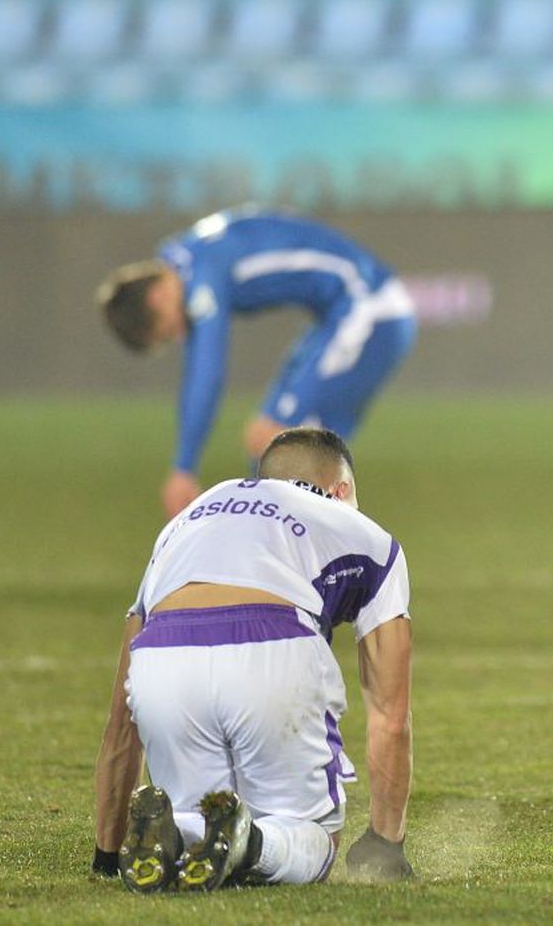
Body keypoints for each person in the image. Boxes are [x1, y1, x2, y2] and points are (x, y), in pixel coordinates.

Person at [91, 427, 414, 892]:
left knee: (200, 823)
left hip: (163, 659)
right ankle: (253, 843)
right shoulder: (364, 533)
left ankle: (167, 835)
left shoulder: (187, 521)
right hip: (271, 646)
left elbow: (121, 722)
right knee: (316, 840)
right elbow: (390, 715)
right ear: (340, 490)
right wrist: (387, 841)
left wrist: (106, 854)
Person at [96, 207, 418, 519]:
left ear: (157, 297)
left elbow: (206, 372)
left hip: (371, 309)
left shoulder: (201, 276)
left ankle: (346, 563)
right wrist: (185, 464)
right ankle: (298, 564)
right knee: (270, 453)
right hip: (345, 313)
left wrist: (184, 467)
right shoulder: (187, 257)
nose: (180, 334)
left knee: (282, 446)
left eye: (168, 329)